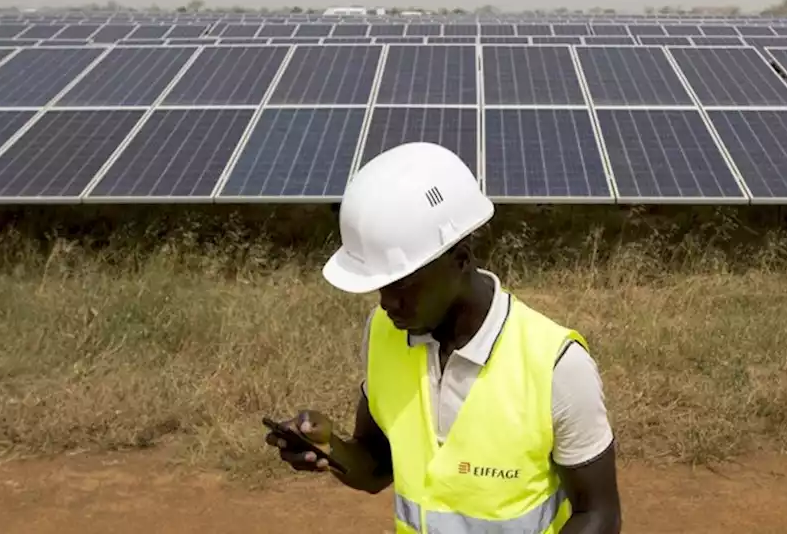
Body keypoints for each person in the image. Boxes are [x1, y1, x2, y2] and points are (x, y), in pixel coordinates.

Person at [265, 141, 622, 533]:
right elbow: (376, 466)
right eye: (380, 286)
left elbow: (598, 515)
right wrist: (330, 447)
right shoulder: (383, 334)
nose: (386, 303)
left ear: (461, 261)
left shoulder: (556, 364)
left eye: (403, 285)